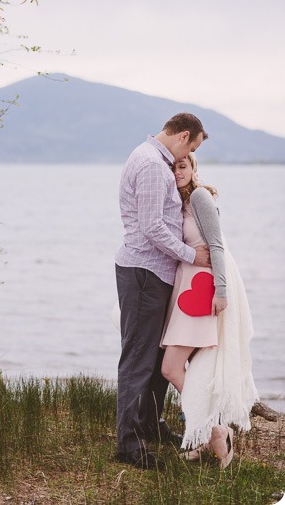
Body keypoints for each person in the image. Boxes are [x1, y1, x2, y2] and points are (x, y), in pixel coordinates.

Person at [115, 113, 211, 470]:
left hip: (155, 273)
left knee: (155, 358)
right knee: (138, 359)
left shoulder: (150, 157)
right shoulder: (154, 165)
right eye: (193, 146)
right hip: (144, 273)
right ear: (183, 135)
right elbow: (153, 226)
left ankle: (150, 427)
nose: (188, 155)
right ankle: (128, 444)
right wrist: (192, 255)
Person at [161, 154, 258, 467]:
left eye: (183, 166)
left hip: (204, 288)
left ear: (193, 168)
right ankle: (208, 433)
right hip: (186, 289)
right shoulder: (176, 203)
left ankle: (217, 430)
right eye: (172, 167)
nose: (177, 172)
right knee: (194, 366)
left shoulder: (200, 197)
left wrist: (222, 291)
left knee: (171, 368)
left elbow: (216, 245)